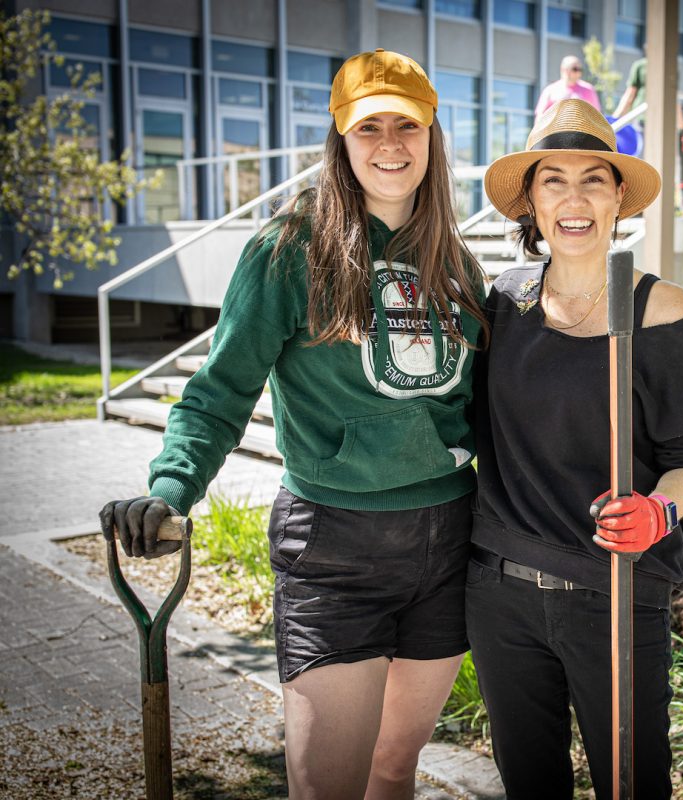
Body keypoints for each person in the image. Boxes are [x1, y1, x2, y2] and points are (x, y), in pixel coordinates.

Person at [99, 49, 488, 800]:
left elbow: (481, 408)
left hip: (447, 541)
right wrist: (172, 488)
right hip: (334, 549)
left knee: (393, 770)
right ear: (340, 140)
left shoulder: (453, 262)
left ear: (432, 137)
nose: (389, 144)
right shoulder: (288, 250)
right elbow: (220, 391)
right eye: (367, 125)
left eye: (406, 125)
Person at [467, 98, 683, 799]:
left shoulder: (662, 310)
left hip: (611, 592)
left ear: (619, 195)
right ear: (530, 201)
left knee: (633, 783)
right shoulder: (503, 303)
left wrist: (658, 513)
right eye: (553, 180)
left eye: (593, 179)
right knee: (530, 785)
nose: (574, 198)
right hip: (500, 594)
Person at [613, 56, 683, 149]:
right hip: (643, 117)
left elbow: (673, 96)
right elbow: (630, 95)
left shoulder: (670, 68)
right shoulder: (641, 66)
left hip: (658, 120)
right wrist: (615, 118)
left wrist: (682, 127)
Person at [534, 55, 602, 117]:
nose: (578, 73)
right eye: (575, 69)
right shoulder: (550, 90)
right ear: (564, 69)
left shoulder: (588, 89)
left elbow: (597, 115)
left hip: (581, 129)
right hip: (556, 129)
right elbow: (540, 116)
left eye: (580, 70)